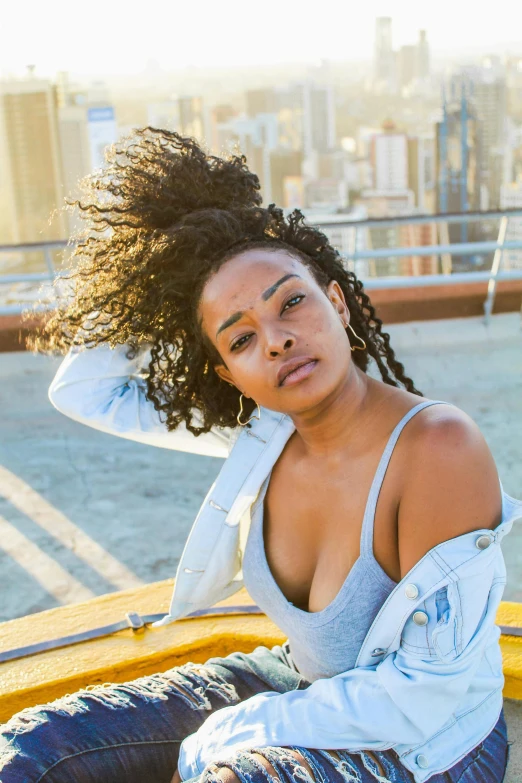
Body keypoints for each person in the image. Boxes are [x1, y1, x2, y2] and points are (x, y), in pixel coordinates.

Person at [1, 128, 520, 783]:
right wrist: (165, 264)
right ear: (228, 374)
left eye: (292, 301)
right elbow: (83, 388)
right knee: (31, 745)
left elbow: (421, 697)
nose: (275, 340)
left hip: (438, 747)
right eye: (241, 337)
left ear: (336, 302)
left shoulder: (437, 447)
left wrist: (228, 734)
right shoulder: (261, 436)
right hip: (300, 686)